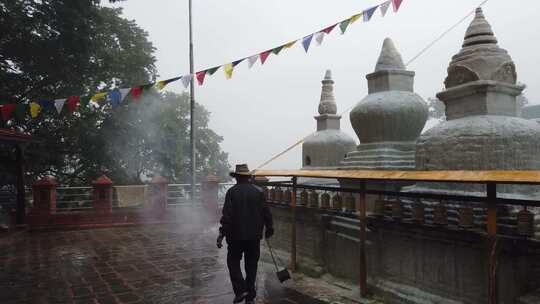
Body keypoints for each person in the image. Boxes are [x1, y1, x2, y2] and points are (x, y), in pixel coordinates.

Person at [217, 164, 274, 304]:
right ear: (248, 177)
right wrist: (269, 228)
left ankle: (240, 290)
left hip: (235, 236)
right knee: (251, 265)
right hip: (254, 237)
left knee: (233, 262)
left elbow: (227, 216)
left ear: (236, 177)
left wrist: (221, 234)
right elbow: (266, 213)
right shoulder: (259, 192)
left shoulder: (231, 192)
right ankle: (250, 297)